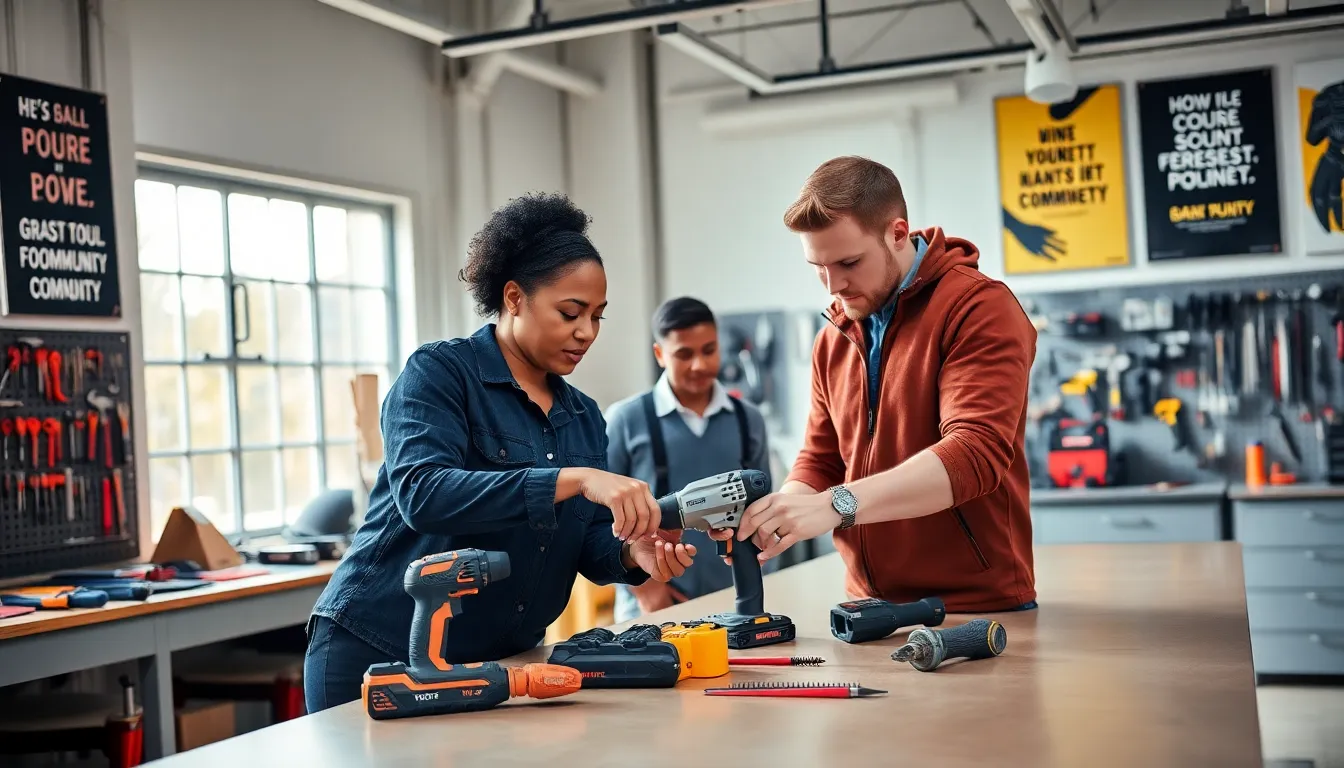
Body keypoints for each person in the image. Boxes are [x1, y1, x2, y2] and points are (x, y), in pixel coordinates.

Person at [304, 192, 700, 711]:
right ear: (514, 297)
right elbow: (424, 494)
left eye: (598, 317)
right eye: (570, 312)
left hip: (499, 665)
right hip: (381, 652)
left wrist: (632, 553)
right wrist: (576, 479)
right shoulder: (441, 374)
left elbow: (583, 543)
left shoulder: (583, 416)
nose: (586, 332)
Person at [727, 155, 1038, 613]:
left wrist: (835, 505)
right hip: (867, 607)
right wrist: (781, 513)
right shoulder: (833, 337)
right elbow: (822, 458)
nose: (833, 285)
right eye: (818, 266)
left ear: (897, 233)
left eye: (849, 262)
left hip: (973, 607)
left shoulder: (977, 308)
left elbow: (974, 453)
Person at [604, 297, 773, 621]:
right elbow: (600, 521)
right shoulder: (626, 419)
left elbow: (761, 511)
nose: (699, 365)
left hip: (734, 604)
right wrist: (649, 593)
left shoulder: (748, 419)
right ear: (660, 354)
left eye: (708, 350)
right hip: (653, 608)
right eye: (684, 354)